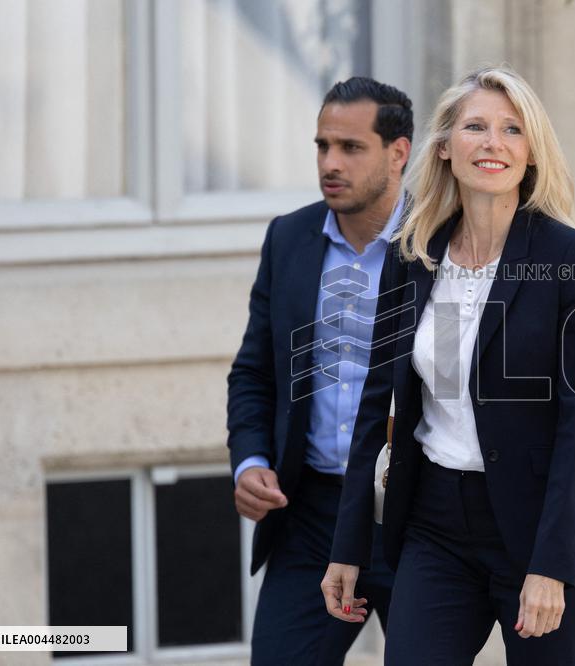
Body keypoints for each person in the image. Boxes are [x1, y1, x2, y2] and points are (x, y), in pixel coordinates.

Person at [321, 66, 575, 665]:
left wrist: (551, 566)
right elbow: (373, 404)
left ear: (531, 152)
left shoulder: (568, 255)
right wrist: (349, 545)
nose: (494, 143)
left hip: (539, 523)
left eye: (512, 129)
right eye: (476, 127)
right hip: (436, 524)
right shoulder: (412, 252)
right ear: (444, 147)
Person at [226, 76, 413, 665]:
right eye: (322, 146)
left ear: (398, 153)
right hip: (309, 515)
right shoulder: (289, 238)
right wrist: (252, 460)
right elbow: (254, 372)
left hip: (414, 514)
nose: (330, 163)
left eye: (351, 148)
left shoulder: (442, 242)